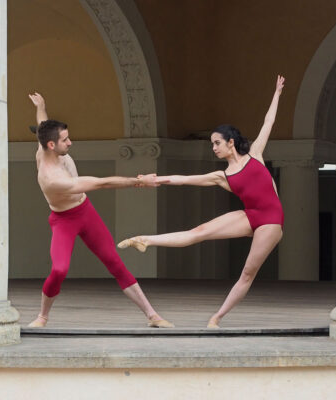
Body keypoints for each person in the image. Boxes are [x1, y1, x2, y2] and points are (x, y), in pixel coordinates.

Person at [118, 75, 286, 328]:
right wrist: (152, 180)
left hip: (272, 221)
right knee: (199, 232)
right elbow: (183, 179)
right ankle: (146, 239)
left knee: (247, 273)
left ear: (231, 143)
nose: (214, 148)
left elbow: (268, 121)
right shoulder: (221, 176)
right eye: (212, 144)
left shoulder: (255, 155)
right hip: (250, 215)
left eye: (217, 143)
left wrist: (277, 94)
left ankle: (217, 317)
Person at [27, 92, 173, 328]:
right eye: (65, 140)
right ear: (52, 145)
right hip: (64, 219)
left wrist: (41, 106)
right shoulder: (51, 178)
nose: (70, 142)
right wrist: (139, 181)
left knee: (114, 262)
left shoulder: (45, 143)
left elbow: (43, 126)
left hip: (85, 212)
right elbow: (101, 183)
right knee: (59, 269)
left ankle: (152, 315)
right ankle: (42, 316)